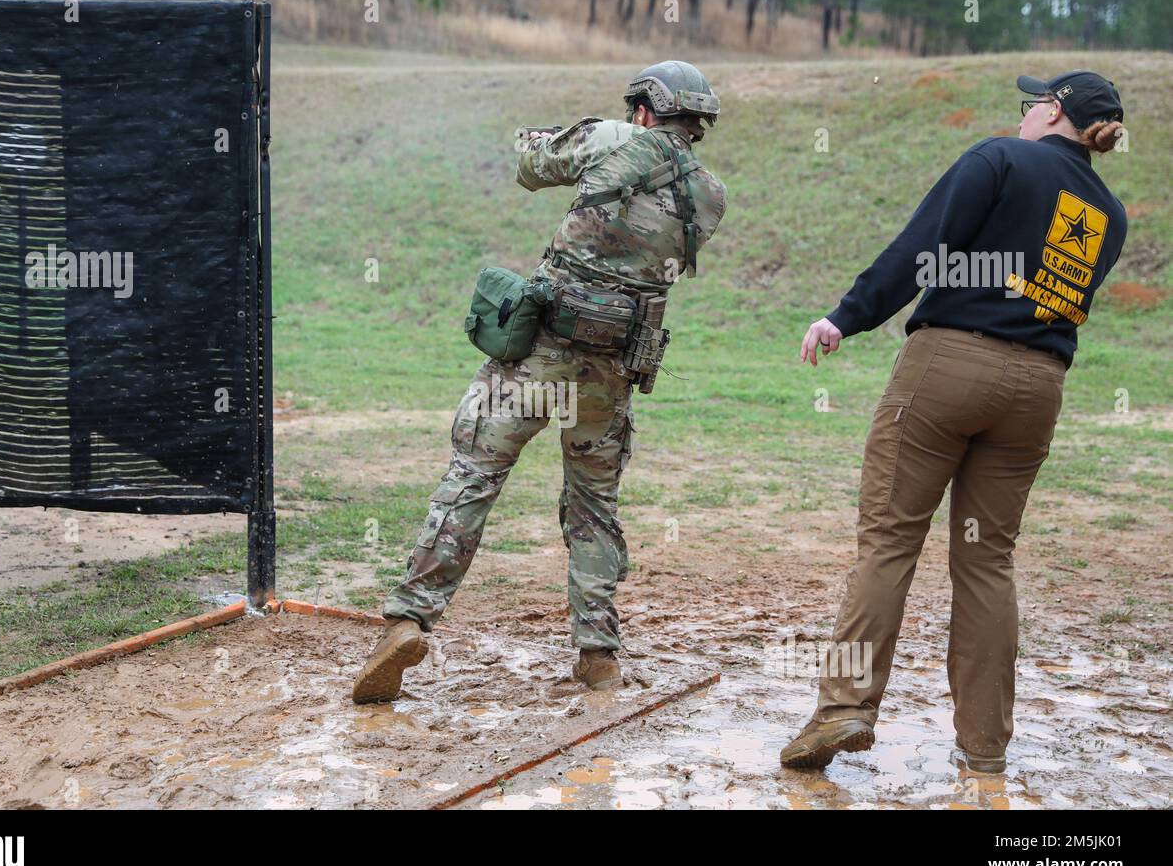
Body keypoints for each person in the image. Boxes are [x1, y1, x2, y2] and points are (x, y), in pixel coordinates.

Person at [783, 71, 1128, 773]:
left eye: (1034, 101)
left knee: (888, 540)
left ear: (1053, 110)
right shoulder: (1110, 214)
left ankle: (845, 707)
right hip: (1037, 389)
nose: (1026, 111)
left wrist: (845, 316)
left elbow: (923, 247)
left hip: (948, 367)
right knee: (987, 563)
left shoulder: (998, 157)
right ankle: (984, 747)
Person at [352, 61, 728, 704]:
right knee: (593, 506)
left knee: (474, 475)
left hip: (542, 353)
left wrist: (551, 134)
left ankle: (409, 619)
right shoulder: (710, 195)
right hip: (614, 367)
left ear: (644, 108)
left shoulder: (614, 138)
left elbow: (532, 166)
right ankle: (598, 654)